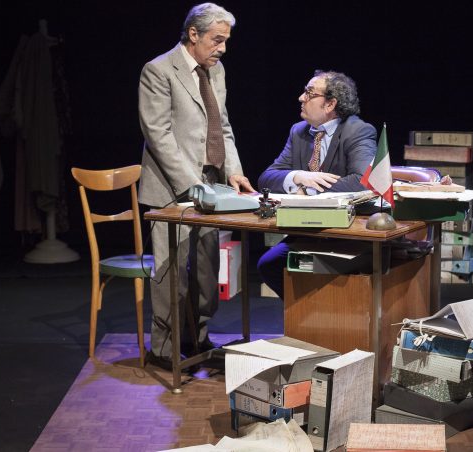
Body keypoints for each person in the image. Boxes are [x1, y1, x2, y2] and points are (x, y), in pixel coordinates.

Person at [138, 2, 254, 369]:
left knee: (206, 270)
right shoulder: (159, 70)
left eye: (226, 40)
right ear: (193, 34)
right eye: (217, 40)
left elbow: (223, 126)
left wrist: (233, 170)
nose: (223, 48)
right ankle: (164, 348)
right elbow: (158, 135)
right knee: (170, 272)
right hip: (171, 190)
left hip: (212, 186)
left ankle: (197, 336)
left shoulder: (215, 71)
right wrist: (191, 186)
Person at [257, 70, 376, 298]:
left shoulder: (358, 130)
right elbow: (267, 177)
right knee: (269, 265)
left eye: (310, 93)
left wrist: (308, 189)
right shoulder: (299, 131)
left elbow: (363, 182)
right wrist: (298, 176)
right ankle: (304, 313)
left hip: (347, 233)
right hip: (308, 231)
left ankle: (322, 313)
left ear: (330, 104)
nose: (301, 98)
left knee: (324, 272)